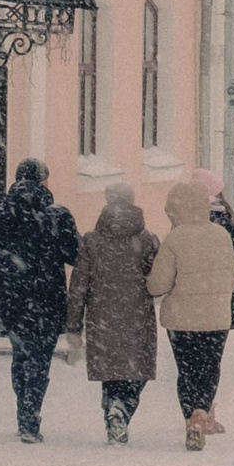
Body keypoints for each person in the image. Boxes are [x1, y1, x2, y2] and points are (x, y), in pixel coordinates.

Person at [0, 158, 81, 443]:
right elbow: (74, 255)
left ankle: (23, 411)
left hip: (12, 298)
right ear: (43, 181)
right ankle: (30, 416)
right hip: (47, 298)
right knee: (40, 359)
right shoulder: (57, 215)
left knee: (21, 354)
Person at [148, 177, 234, 449]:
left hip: (182, 319)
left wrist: (146, 283)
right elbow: (231, 275)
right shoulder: (222, 235)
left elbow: (158, 284)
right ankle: (202, 411)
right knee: (209, 368)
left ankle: (191, 416)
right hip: (215, 317)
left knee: (186, 371)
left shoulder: (175, 238)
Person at [67, 181, 161, 444]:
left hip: (101, 319)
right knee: (135, 374)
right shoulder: (146, 240)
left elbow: (79, 285)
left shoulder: (92, 241)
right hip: (137, 317)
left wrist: (74, 325)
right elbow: (160, 277)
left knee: (111, 375)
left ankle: (114, 409)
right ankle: (122, 409)